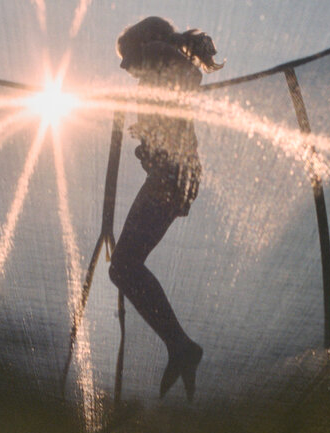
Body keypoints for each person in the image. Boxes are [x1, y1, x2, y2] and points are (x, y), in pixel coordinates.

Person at [109, 16, 223, 400]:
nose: (124, 66)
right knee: (124, 267)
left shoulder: (163, 58)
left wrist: (157, 52)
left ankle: (181, 346)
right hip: (171, 177)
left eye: (127, 56)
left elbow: (190, 77)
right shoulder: (158, 77)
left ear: (148, 44)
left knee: (123, 267)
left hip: (173, 179)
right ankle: (179, 346)